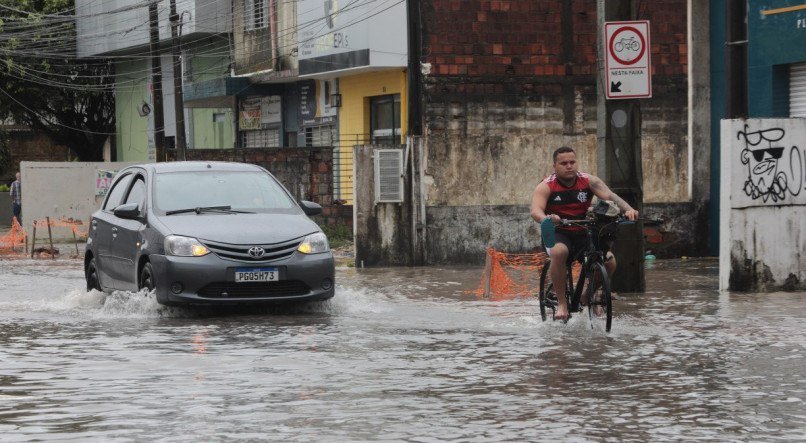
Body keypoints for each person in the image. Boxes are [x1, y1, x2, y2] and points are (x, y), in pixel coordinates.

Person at [530, 146, 638, 321]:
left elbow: (610, 196)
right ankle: (563, 305)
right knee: (559, 253)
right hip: (558, 232)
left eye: (572, 162)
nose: (569, 166)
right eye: (564, 163)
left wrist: (629, 210)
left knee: (609, 262)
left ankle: (588, 294)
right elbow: (536, 211)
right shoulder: (546, 186)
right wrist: (548, 218)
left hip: (583, 230)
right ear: (554, 166)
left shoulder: (588, 181)